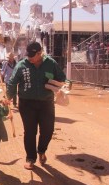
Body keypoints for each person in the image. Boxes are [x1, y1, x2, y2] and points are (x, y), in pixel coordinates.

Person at [7, 42, 66, 170]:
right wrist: (8, 97)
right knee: (30, 132)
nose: (30, 58)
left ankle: (42, 150)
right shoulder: (22, 65)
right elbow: (12, 82)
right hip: (27, 103)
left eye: (33, 55)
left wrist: (60, 86)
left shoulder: (51, 63)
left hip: (46, 103)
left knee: (47, 130)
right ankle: (30, 158)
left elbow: (62, 78)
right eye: (28, 55)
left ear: (40, 53)